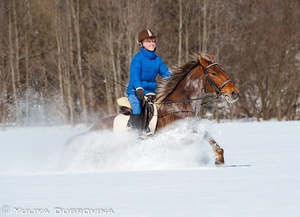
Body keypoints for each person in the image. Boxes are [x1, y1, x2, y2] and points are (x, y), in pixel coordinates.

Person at [126, 29, 171, 135]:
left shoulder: (157, 60)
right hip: (136, 91)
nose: (151, 43)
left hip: (151, 91)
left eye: (153, 41)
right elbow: (135, 75)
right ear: (141, 44)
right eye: (148, 41)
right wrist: (138, 88)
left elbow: (166, 74)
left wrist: (177, 82)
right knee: (137, 106)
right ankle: (135, 132)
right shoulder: (137, 59)